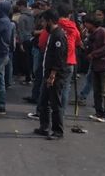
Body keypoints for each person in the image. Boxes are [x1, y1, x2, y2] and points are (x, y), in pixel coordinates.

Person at [34, 9, 68, 140]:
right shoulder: (52, 34)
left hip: (55, 76)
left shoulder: (58, 35)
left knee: (55, 104)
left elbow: (59, 58)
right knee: (43, 102)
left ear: (49, 21)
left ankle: (58, 131)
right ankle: (44, 127)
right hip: (47, 74)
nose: (42, 24)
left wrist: (52, 75)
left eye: (43, 21)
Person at [84, 14, 105, 123]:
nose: (85, 25)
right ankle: (99, 112)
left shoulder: (103, 32)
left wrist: (94, 54)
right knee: (97, 91)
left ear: (92, 23)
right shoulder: (91, 34)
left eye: (86, 23)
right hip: (96, 65)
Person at [56, 3, 82, 110]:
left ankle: (54, 112)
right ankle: (61, 113)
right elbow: (78, 42)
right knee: (66, 88)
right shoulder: (73, 27)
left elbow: (43, 42)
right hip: (69, 61)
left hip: (56, 61)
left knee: (54, 88)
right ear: (69, 14)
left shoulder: (55, 25)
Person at [16, 0, 34, 84]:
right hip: (31, 38)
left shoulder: (22, 17)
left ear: (22, 6)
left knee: (25, 59)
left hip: (25, 40)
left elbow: (21, 31)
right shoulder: (32, 15)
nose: (18, 9)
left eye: (19, 7)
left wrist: (20, 43)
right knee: (30, 58)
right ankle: (30, 76)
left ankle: (28, 78)